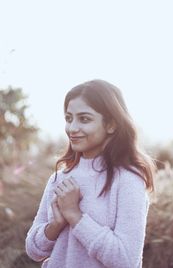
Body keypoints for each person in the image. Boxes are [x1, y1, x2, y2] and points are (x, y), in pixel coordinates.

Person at [25, 79, 155, 268]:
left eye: (84, 119)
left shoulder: (128, 180)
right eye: (69, 118)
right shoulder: (59, 178)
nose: (72, 128)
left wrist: (75, 216)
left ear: (111, 124)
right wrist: (55, 226)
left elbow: (126, 259)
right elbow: (33, 251)